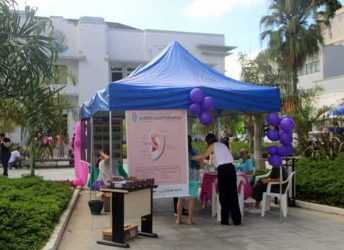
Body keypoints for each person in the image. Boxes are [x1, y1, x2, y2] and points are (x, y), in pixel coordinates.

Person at [192, 133, 241, 225]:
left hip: (223, 170)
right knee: (233, 194)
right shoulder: (222, 145)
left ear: (208, 141)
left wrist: (191, 157)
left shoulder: (212, 146)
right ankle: (237, 219)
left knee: (223, 195)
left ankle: (225, 220)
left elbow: (203, 156)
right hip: (231, 169)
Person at [176, 135, 202, 225]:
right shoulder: (195, 152)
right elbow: (201, 166)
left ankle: (178, 219)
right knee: (191, 198)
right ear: (191, 142)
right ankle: (189, 220)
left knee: (181, 198)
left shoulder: (179, 152)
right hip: (194, 176)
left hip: (183, 176)